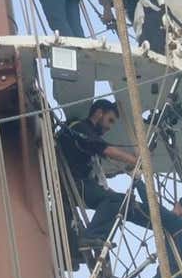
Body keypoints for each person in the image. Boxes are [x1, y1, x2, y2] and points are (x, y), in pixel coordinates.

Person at [55, 99, 150, 253]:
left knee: (120, 201)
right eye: (109, 120)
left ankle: (82, 248)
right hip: (71, 183)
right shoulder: (79, 127)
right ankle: (92, 236)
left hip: (78, 185)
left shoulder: (87, 135)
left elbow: (98, 178)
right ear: (99, 113)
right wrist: (137, 160)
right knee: (115, 200)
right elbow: (106, 149)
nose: (109, 127)